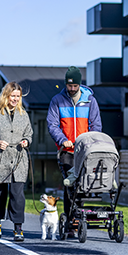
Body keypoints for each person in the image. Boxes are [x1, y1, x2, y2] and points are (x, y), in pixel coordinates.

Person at [0, 81, 33, 241]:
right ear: (6, 95)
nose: (15, 99)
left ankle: (18, 228)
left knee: (17, 195)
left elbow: (29, 134)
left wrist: (26, 141)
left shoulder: (24, 115)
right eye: (13, 96)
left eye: (18, 96)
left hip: (18, 160)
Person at [46, 66, 101, 217]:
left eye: (74, 86)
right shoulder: (57, 101)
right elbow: (52, 125)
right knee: (71, 183)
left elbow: (96, 126)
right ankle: (71, 220)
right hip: (67, 151)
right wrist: (63, 140)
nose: (71, 89)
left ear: (79, 84)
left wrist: (90, 142)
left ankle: (80, 215)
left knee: (84, 183)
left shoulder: (90, 101)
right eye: (69, 85)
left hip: (85, 151)